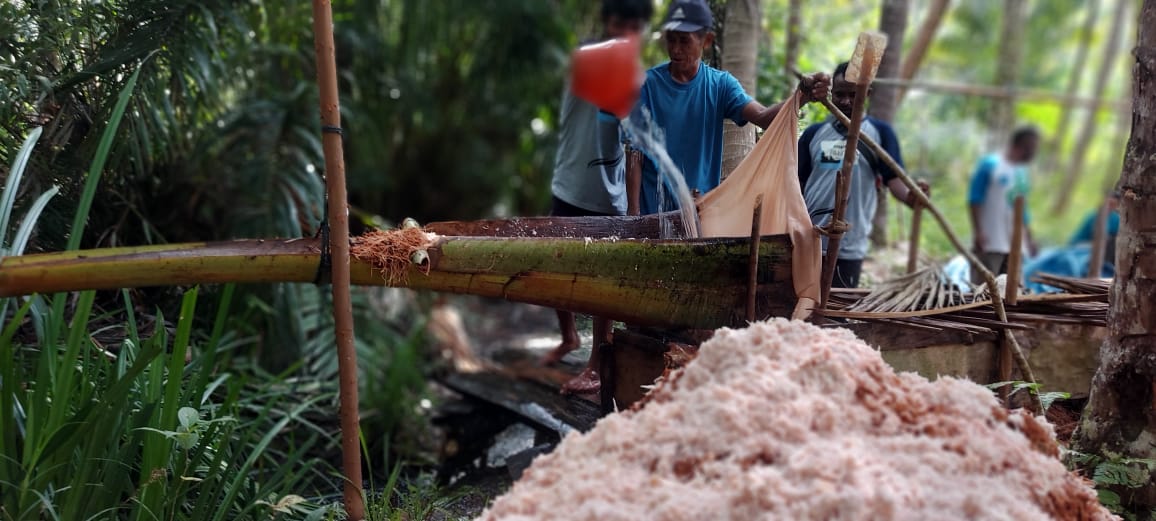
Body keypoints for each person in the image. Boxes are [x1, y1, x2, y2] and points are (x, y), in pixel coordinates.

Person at [626, 0, 830, 217]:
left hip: (700, 213)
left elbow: (762, 117)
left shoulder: (720, 85)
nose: (675, 49)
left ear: (707, 40)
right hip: (652, 213)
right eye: (671, 40)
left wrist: (801, 96)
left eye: (684, 41)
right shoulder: (647, 85)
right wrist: (634, 214)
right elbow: (635, 153)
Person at [543, 0, 654, 395]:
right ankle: (569, 336)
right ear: (607, 22)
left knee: (602, 284)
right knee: (554, 269)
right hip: (570, 184)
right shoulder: (585, 59)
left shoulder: (639, 78)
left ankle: (595, 364)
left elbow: (638, 141)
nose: (624, 31)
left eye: (633, 25)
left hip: (610, 195)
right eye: (619, 22)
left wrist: (635, 207)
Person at [798, 61, 929, 289]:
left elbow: (894, 179)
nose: (846, 101)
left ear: (867, 93)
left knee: (836, 312)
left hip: (850, 244)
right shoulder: (813, 134)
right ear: (831, 94)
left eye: (853, 94)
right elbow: (796, 184)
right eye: (839, 94)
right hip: (810, 239)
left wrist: (912, 197)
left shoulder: (880, 134)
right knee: (802, 307)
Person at [967, 126, 1041, 284]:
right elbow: (975, 199)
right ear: (1023, 146)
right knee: (984, 289)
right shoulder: (990, 164)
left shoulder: (1022, 173)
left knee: (1013, 289)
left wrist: (1029, 238)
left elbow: (1023, 210)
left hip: (1015, 245)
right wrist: (978, 231)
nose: (1034, 153)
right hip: (991, 241)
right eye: (1033, 148)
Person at [1069, 191, 1120, 266]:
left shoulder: (1116, 220)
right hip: (1084, 246)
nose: (1109, 206)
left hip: (1107, 251)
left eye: (1113, 204)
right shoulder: (1092, 216)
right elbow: (1078, 238)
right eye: (1108, 203)